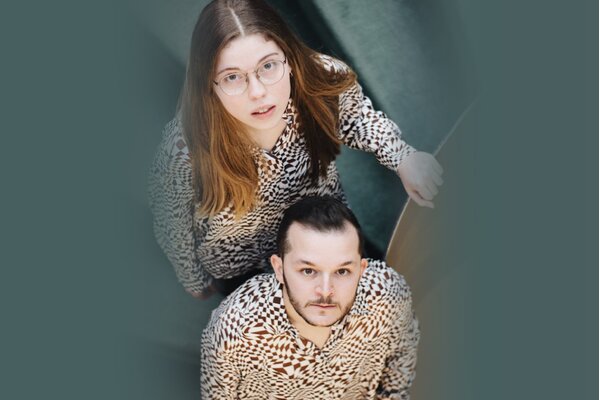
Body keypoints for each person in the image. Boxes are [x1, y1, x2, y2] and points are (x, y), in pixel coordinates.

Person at [149, 0, 443, 299]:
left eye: (268, 66)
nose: (258, 92)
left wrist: (402, 156)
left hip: (326, 234)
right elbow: (172, 220)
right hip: (246, 271)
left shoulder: (318, 76)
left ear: (288, 58)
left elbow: (357, 118)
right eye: (232, 77)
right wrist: (193, 278)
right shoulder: (183, 151)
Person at [200, 196, 419, 399]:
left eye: (342, 271)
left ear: (362, 270)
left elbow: (399, 373)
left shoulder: (388, 296)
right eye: (308, 271)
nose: (325, 291)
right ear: (279, 269)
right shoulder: (233, 333)